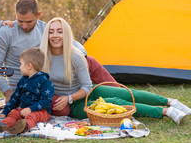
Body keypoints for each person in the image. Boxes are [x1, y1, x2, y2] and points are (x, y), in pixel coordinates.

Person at [39, 18, 191, 124]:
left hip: (86, 92)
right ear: (47, 35)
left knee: (128, 93)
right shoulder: (41, 57)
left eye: (59, 31)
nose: (55, 36)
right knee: (117, 104)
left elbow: (86, 86)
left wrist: (69, 97)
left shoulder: (75, 56)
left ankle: (171, 102)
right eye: (51, 32)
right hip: (75, 106)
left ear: (66, 34)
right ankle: (166, 112)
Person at [0, 0, 118, 105]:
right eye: (20, 21)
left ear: (38, 15)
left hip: (48, 75)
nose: (24, 26)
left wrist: (81, 58)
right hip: (28, 86)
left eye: (29, 21)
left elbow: (73, 43)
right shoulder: (6, 32)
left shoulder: (44, 28)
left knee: (89, 60)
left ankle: (118, 91)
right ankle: (89, 94)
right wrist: (8, 93)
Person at [0, 48, 54, 134]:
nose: (19, 67)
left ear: (29, 66)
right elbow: (15, 98)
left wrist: (31, 109)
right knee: (14, 114)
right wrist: (5, 112)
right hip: (24, 109)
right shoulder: (23, 81)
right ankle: (3, 126)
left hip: (41, 112)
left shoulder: (44, 81)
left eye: (21, 64)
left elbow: (46, 101)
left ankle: (23, 126)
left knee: (32, 116)